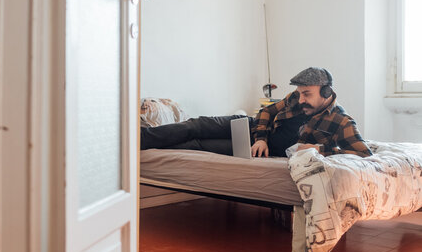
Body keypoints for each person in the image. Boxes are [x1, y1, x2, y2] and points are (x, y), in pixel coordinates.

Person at [140, 67, 372, 158]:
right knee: (195, 124)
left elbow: (364, 154)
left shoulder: (341, 121)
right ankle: (137, 141)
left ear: (326, 91)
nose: (301, 99)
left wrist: (321, 149)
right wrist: (261, 137)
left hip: (262, 151)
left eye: (307, 94)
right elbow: (266, 113)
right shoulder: (296, 98)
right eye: (299, 93)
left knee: (198, 144)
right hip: (250, 128)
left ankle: (151, 148)